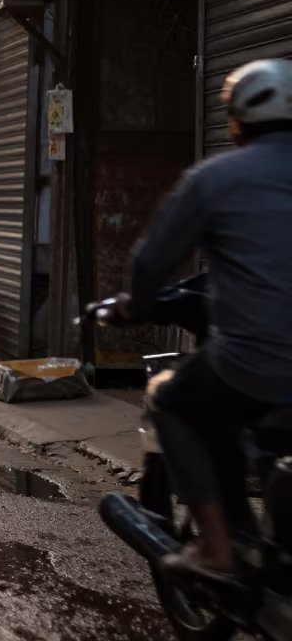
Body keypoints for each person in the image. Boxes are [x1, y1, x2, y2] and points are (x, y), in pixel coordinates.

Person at [115, 58, 292, 582]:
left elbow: (150, 263)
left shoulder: (215, 178)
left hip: (256, 361)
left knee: (171, 401)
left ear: (237, 120)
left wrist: (137, 304)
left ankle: (217, 549)